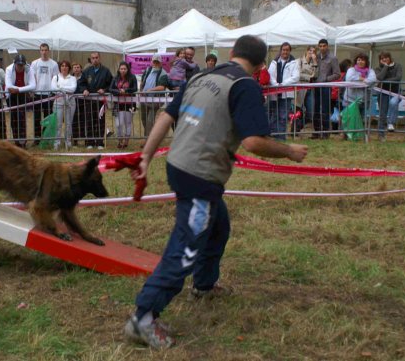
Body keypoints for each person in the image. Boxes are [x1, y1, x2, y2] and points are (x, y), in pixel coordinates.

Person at [123, 35, 308, 349]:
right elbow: (253, 142)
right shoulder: (245, 86)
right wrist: (289, 150)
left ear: (232, 53)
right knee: (186, 246)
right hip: (199, 175)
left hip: (179, 164)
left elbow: (166, 115)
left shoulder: (201, 76)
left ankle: (204, 284)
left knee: (217, 224)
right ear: (262, 65)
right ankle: (143, 317)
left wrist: (146, 156)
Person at [77, 51, 112, 149]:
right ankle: (89, 142)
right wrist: (84, 90)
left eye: (96, 57)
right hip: (89, 100)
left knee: (100, 121)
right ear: (90, 59)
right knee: (89, 121)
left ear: (99, 58)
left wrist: (104, 90)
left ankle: (100, 142)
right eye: (93, 58)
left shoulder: (106, 71)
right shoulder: (87, 71)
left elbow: (111, 84)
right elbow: (81, 83)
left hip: (101, 101)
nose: (95, 59)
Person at [267, 42, 299, 140]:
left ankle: (281, 137)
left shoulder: (294, 63)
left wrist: (283, 84)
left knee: (283, 116)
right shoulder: (274, 62)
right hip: (275, 92)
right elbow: (270, 75)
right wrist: (276, 85)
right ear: (280, 51)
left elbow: (296, 77)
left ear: (290, 51)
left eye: (287, 50)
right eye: (283, 50)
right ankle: (273, 135)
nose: (285, 52)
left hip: (286, 93)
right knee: (274, 115)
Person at [30, 43, 59, 145]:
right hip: (37, 94)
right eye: (42, 50)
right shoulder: (34, 63)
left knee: (48, 117)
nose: (44, 52)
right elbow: (32, 78)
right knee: (37, 117)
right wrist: (32, 91)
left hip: (49, 94)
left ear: (48, 51)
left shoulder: (54, 64)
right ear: (40, 51)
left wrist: (53, 92)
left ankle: (46, 138)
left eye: (46, 50)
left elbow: (55, 78)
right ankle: (37, 138)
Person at [5, 54, 36, 147]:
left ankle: (23, 141)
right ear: (14, 64)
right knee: (14, 118)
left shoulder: (29, 69)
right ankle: (16, 141)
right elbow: (8, 85)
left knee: (22, 117)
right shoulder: (9, 69)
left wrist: (19, 89)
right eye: (18, 65)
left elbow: (33, 85)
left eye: (22, 65)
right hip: (11, 96)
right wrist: (20, 88)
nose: (20, 67)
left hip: (22, 94)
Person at [312, 39, 340, 139]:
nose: (322, 48)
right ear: (318, 46)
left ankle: (325, 132)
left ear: (327, 46)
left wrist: (326, 79)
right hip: (315, 86)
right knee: (315, 109)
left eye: (324, 46)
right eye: (320, 46)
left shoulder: (333, 58)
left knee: (325, 110)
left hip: (326, 87)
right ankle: (316, 131)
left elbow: (337, 74)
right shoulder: (316, 57)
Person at [139, 54, 169, 144]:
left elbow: (162, 87)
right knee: (143, 118)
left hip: (155, 100)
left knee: (150, 120)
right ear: (151, 62)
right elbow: (142, 80)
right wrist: (141, 89)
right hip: (144, 98)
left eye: (157, 62)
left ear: (160, 63)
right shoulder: (147, 70)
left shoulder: (163, 73)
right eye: (154, 61)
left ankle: (147, 140)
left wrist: (150, 90)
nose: (155, 63)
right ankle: (150, 135)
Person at [109, 61, 138, 148]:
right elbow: (110, 89)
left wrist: (126, 91)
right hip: (118, 104)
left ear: (127, 69)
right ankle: (120, 139)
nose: (123, 70)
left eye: (125, 69)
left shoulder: (132, 77)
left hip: (130, 103)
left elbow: (135, 88)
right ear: (119, 69)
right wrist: (118, 91)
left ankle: (126, 141)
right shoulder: (115, 78)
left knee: (128, 123)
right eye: (121, 69)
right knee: (118, 124)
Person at [374, 52, 402, 138]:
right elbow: (379, 77)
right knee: (382, 114)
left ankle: (391, 122)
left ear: (390, 58)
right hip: (383, 92)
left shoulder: (397, 66)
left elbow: (398, 77)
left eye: (386, 58)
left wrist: (385, 81)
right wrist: (385, 66)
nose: (384, 59)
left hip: (395, 92)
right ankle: (381, 134)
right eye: (382, 58)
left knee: (393, 103)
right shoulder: (378, 68)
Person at [50, 60, 77, 150]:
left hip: (70, 103)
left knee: (68, 123)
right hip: (58, 103)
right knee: (58, 124)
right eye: (62, 66)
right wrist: (64, 90)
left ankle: (68, 141)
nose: (64, 67)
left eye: (66, 66)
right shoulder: (55, 77)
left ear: (69, 68)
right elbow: (53, 89)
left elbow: (73, 89)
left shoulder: (72, 78)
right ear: (60, 67)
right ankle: (56, 142)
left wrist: (60, 88)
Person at [343, 53, 376, 125]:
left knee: (360, 120)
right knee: (349, 119)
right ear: (356, 61)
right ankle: (346, 134)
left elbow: (373, 80)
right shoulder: (351, 70)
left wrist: (359, 80)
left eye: (363, 60)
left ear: (366, 62)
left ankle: (357, 135)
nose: (360, 62)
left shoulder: (370, 71)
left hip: (364, 100)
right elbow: (349, 80)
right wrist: (364, 80)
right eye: (359, 60)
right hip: (350, 100)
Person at [293, 46, 318, 132]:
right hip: (300, 88)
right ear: (307, 51)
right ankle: (294, 130)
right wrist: (310, 76)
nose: (312, 53)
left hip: (309, 89)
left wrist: (315, 62)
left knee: (310, 112)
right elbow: (297, 74)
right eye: (310, 50)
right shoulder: (299, 61)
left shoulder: (314, 63)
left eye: (314, 51)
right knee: (297, 110)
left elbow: (316, 75)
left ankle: (299, 126)